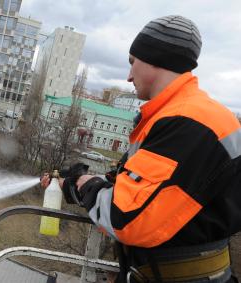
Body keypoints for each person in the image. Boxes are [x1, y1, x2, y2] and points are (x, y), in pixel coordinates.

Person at [42, 15, 241, 282]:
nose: (127, 75)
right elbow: (136, 189)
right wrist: (72, 182)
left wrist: (86, 184)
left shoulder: (187, 123)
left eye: (132, 62)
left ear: (155, 59)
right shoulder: (182, 116)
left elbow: (124, 217)